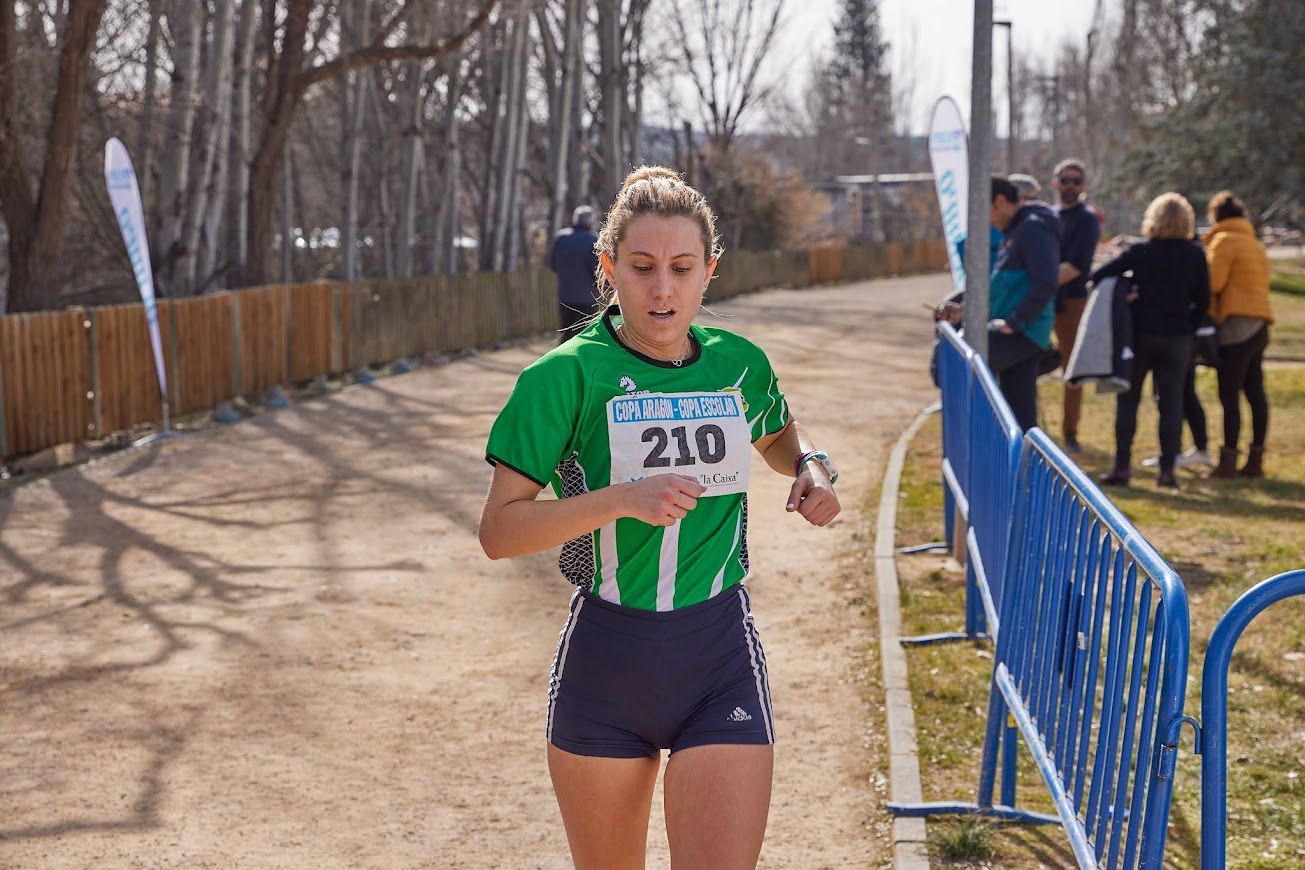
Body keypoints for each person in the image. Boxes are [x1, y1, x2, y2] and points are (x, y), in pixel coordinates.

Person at [479, 166, 841, 868]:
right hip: (606, 664)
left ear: (709, 271)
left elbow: (778, 436)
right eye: (641, 267)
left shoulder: (739, 365)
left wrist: (811, 467)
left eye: (681, 268)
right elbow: (499, 531)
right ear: (608, 268)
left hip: (717, 655)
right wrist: (619, 499)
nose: (662, 288)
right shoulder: (563, 377)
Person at [1091, 193, 1209, 488]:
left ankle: (1121, 468)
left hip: (1140, 335)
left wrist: (1127, 289)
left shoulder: (1141, 251)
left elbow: (1099, 275)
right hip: (1178, 337)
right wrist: (1191, 328)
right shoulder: (1196, 254)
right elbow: (1204, 299)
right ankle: (1167, 471)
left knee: (1128, 401)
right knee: (1171, 404)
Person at [935, 176, 1060, 431]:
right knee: (1020, 412)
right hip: (1015, 330)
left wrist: (1016, 321)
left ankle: (989, 451)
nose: (985, 220)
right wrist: (965, 311)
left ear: (1000, 202)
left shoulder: (1031, 229)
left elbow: (1046, 281)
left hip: (1024, 333)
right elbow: (1002, 288)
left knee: (953, 366)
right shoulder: (1014, 231)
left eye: (985, 210)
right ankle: (1018, 466)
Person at [1204, 190, 1274, 478]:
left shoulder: (1223, 241)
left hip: (1235, 327)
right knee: (1256, 392)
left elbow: (1214, 283)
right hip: (1260, 324)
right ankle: (1256, 458)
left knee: (1229, 394)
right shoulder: (1254, 244)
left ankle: (1228, 462)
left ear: (1215, 216)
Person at [1050, 159, 1102, 453]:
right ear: (1055, 182)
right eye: (1065, 180)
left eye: (1076, 181)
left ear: (1083, 186)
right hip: (1043, 300)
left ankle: (1069, 431)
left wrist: (1040, 285)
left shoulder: (1086, 219)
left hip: (1071, 300)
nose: (1070, 186)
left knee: (1072, 368)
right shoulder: (1049, 214)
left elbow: (1077, 265)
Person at [549, 205, 602, 343]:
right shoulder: (593, 239)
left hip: (565, 295)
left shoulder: (560, 238)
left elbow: (553, 265)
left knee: (566, 334)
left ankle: (562, 362)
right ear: (590, 222)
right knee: (585, 336)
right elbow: (596, 270)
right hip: (587, 298)